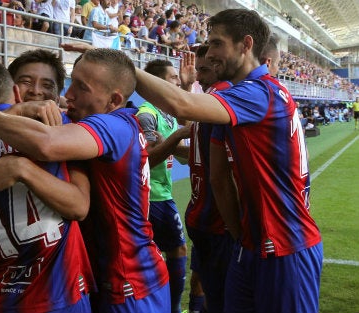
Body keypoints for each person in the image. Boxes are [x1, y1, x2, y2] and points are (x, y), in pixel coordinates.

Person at [135, 9, 323, 313]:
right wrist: (241, 237)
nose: (209, 54)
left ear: (245, 45)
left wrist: (119, 67)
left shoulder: (260, 93)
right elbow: (218, 178)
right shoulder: (239, 97)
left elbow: (181, 105)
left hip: (286, 245)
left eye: (217, 44)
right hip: (250, 243)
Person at [0, 48, 170, 313]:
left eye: (80, 87)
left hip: (125, 281)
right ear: (12, 88)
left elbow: (50, 150)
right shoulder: (67, 126)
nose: (68, 95)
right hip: (16, 276)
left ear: (113, 100)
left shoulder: (107, 126)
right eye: (25, 81)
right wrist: (9, 113)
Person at [0, 58, 95, 313]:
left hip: (6, 287)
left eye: (47, 85)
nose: (36, 91)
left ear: (57, 96)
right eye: (26, 81)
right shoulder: (62, 132)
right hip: (50, 290)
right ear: (13, 88)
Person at [183, 44, 234, 313]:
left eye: (203, 70)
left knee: (206, 283)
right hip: (216, 221)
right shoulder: (224, 98)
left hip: (200, 215)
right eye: (198, 70)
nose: (198, 77)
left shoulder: (210, 102)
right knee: (226, 296)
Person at [136, 59, 189, 313]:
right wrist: (175, 139)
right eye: (173, 78)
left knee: (175, 250)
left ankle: (171, 306)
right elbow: (145, 161)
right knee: (173, 250)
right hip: (151, 197)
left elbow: (180, 156)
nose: (177, 82)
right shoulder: (147, 114)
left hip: (163, 193)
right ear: (158, 83)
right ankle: (171, 307)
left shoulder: (167, 116)